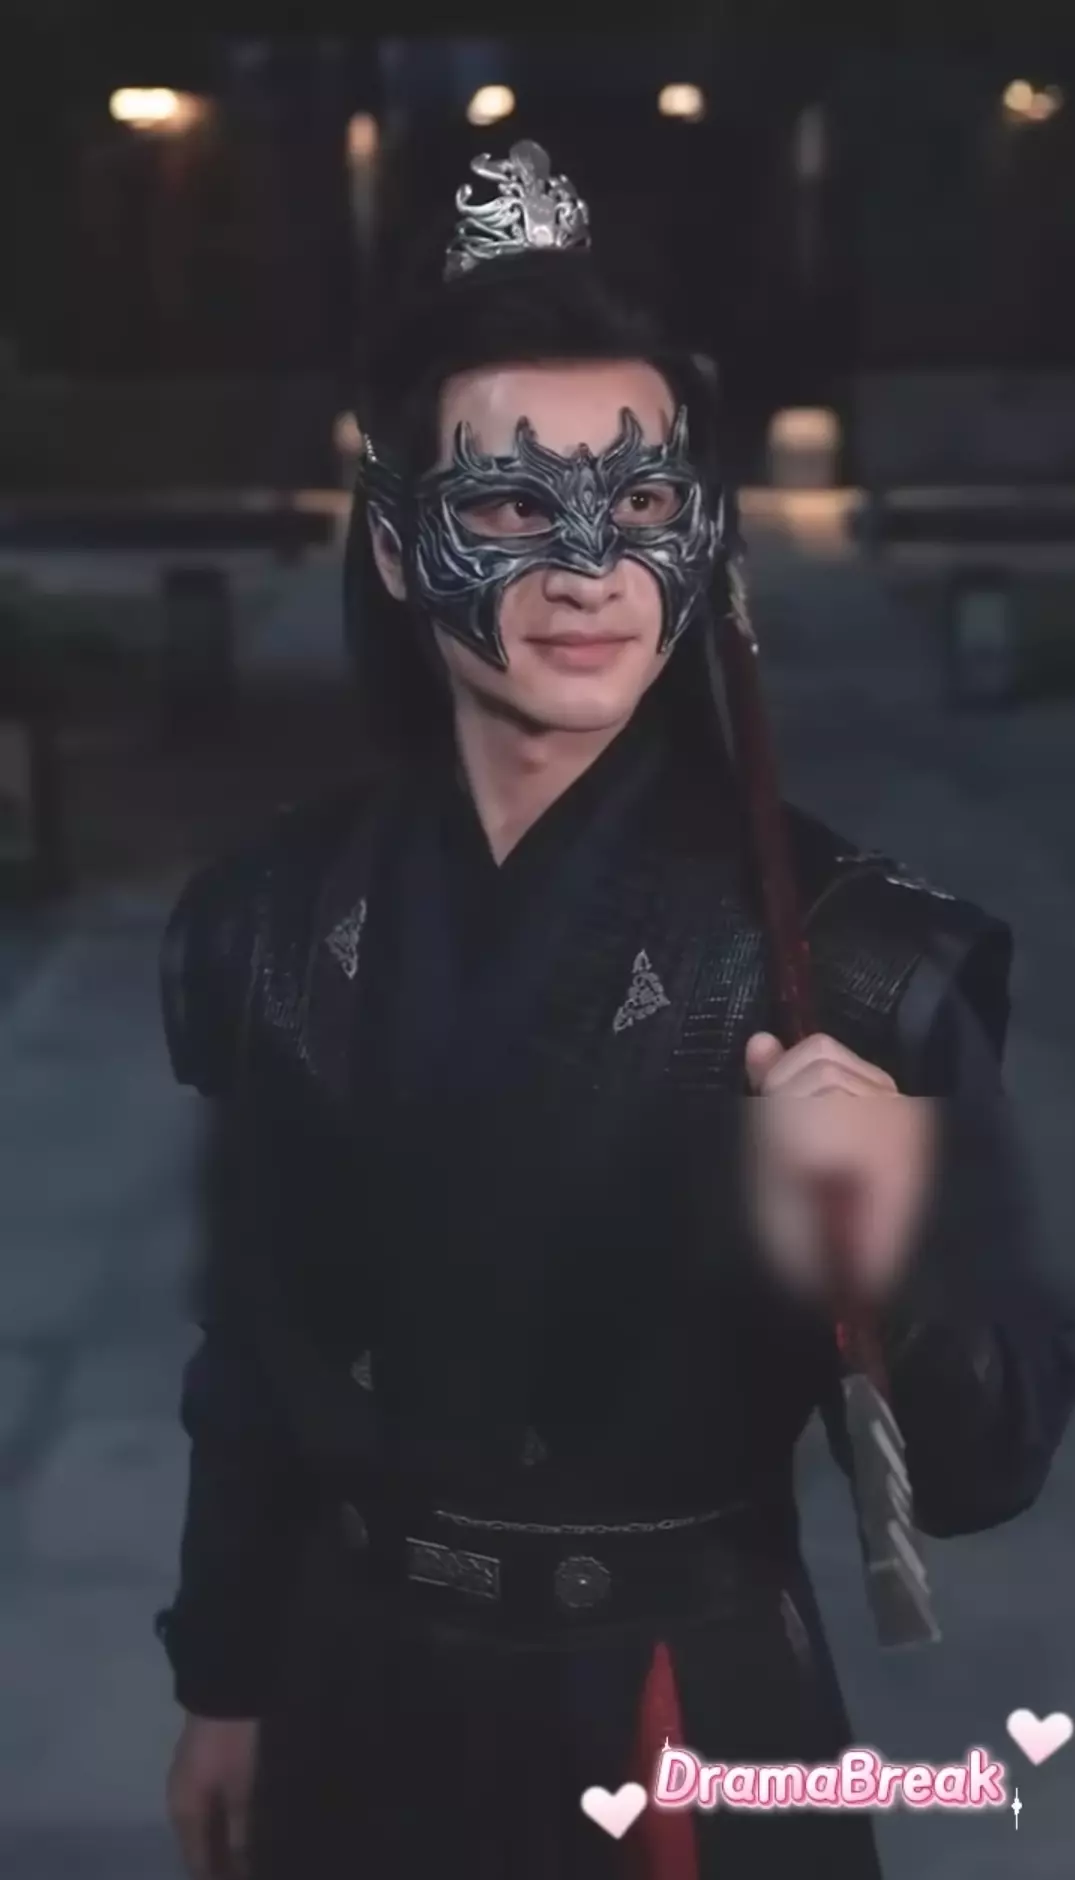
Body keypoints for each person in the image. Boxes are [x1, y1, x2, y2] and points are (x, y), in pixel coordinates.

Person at [157, 141, 1074, 1880]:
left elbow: (984, 1466)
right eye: (512, 508)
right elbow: (253, 1357)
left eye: (641, 503)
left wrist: (888, 1245)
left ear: (698, 532)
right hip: (352, 1695)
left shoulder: (851, 962)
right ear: (397, 538)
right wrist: (228, 1676)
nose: (590, 569)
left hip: (674, 1711)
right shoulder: (267, 927)